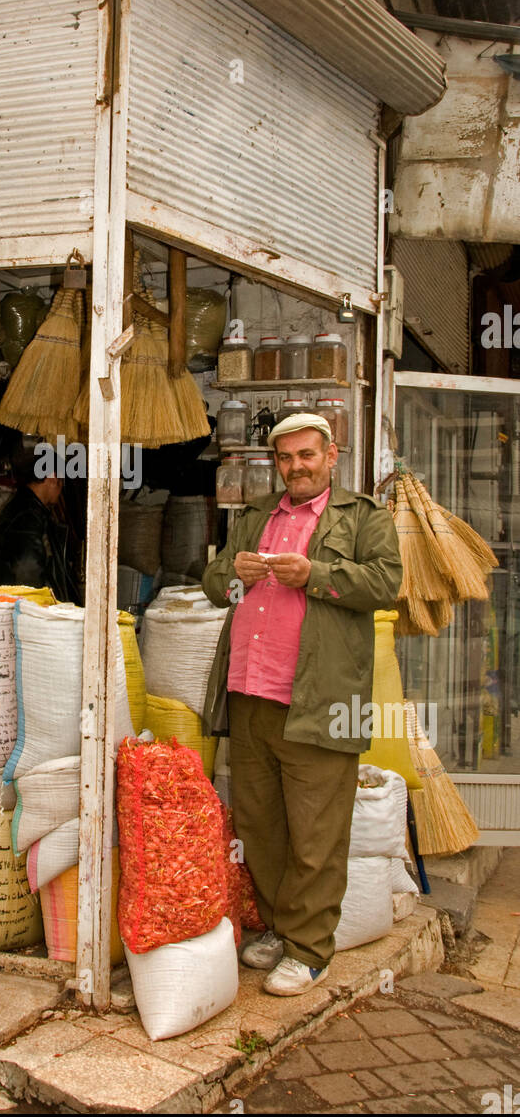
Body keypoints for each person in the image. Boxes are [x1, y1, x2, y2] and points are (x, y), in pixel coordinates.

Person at [202, 412, 402, 996]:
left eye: (306, 455)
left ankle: (312, 950)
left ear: (331, 455)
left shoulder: (363, 517)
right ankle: (280, 928)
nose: (295, 467)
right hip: (250, 693)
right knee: (262, 825)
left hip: (321, 698)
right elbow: (215, 585)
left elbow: (386, 584)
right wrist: (231, 573)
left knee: (317, 832)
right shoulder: (256, 517)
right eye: (285, 458)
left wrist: (316, 574)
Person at [0, 442, 79, 601]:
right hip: (26, 608)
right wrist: (42, 609)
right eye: (61, 481)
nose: (61, 487)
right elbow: (27, 571)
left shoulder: (31, 509)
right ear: (52, 478)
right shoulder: (27, 515)